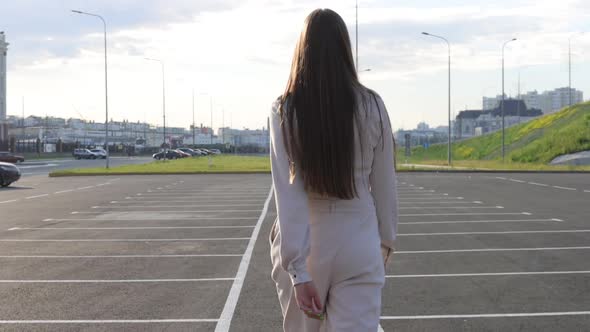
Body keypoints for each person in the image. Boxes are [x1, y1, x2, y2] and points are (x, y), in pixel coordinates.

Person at [269, 8, 398, 332]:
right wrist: (384, 243)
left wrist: (298, 271)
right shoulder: (372, 105)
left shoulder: (285, 110)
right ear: (345, 49)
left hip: (309, 240)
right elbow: (384, 185)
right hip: (359, 238)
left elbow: (288, 194)